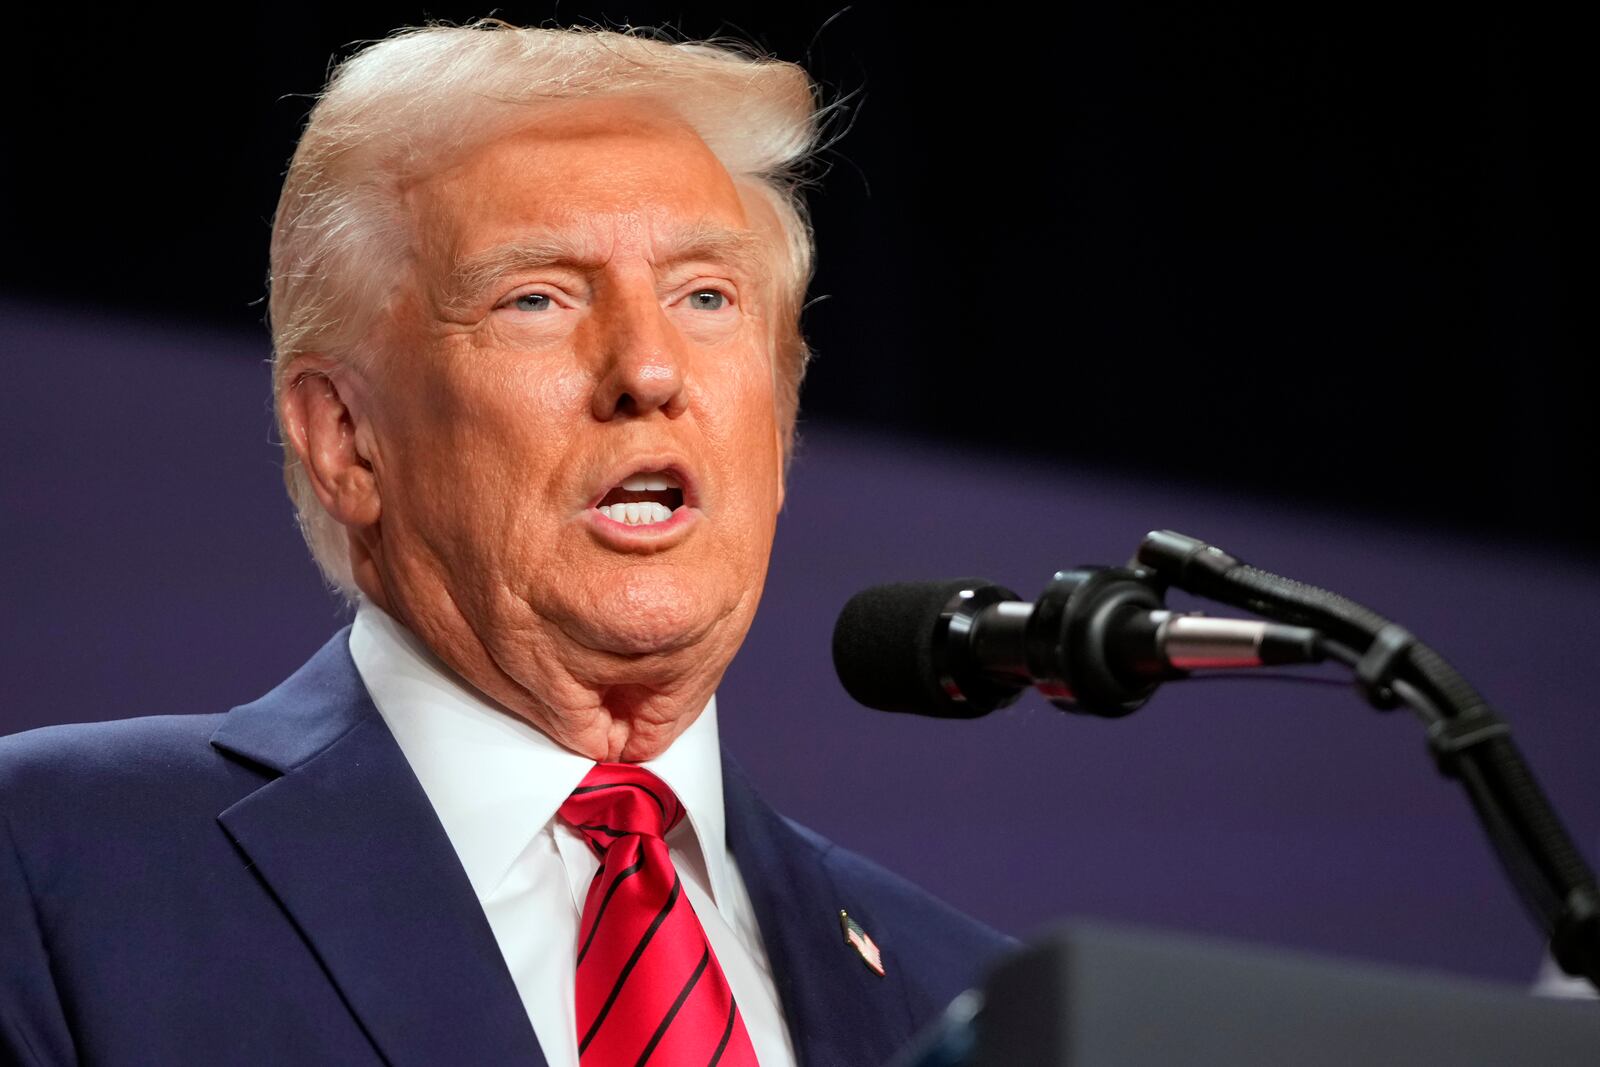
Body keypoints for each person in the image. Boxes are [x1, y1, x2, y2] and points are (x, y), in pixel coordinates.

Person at [0, 22, 1012, 1066]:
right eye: (537, 298)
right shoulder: (53, 864)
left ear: (780, 415)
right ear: (348, 437)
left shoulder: (965, 999)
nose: (649, 370)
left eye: (705, 296)